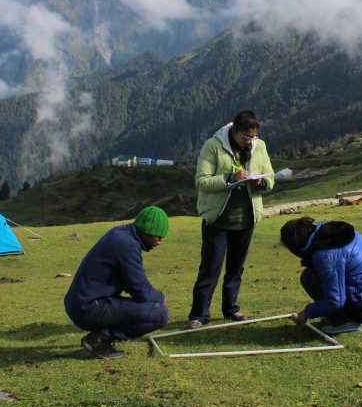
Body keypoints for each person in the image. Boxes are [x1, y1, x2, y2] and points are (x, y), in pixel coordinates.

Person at [188, 110, 275, 329]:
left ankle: (231, 308)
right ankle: (199, 314)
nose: (250, 141)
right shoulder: (213, 145)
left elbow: (270, 177)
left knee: (236, 267)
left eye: (253, 137)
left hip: (246, 219)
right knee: (210, 268)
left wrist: (261, 183)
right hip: (218, 219)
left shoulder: (259, 146)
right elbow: (202, 182)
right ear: (234, 130)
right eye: (246, 137)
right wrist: (230, 178)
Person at [64, 206, 170, 358]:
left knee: (149, 305)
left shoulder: (120, 234)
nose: (159, 242)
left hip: (81, 302)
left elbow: (131, 283)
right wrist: (161, 298)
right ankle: (99, 339)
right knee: (160, 314)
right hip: (89, 307)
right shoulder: (127, 245)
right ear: (147, 231)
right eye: (158, 237)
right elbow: (139, 288)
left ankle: (101, 336)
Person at [279, 216, 362, 335]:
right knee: (311, 275)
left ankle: (345, 322)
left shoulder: (325, 254)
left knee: (308, 279)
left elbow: (334, 300)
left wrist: (307, 312)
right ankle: (337, 316)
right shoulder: (333, 234)